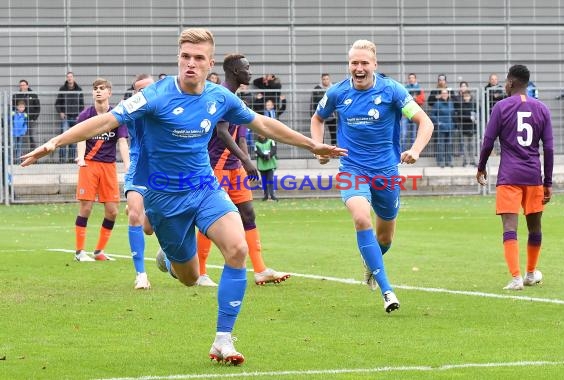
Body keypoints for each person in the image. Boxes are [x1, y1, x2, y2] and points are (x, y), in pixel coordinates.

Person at [21, 28, 345, 365]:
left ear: (210, 63)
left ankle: (223, 340)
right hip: (164, 198)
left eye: (198, 58)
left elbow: (262, 123)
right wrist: (54, 142)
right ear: (179, 58)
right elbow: (107, 119)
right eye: (185, 57)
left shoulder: (219, 97)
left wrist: (311, 144)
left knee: (237, 248)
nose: (190, 63)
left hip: (205, 188)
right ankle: (170, 261)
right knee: (189, 278)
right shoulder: (156, 95)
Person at [310, 39, 433, 313]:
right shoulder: (337, 93)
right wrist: (318, 147)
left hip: (386, 172)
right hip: (351, 169)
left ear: (374, 65)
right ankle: (387, 291)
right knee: (361, 217)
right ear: (349, 65)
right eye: (354, 63)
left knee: (385, 238)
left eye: (364, 63)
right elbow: (317, 119)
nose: (359, 68)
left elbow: (425, 122)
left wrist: (415, 149)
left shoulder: (392, 91)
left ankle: (371, 262)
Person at [195, 53, 290, 287]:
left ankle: (260, 270)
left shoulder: (239, 99)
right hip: (215, 166)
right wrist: (246, 160)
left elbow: (241, 135)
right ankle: (199, 272)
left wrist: (245, 162)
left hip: (234, 168)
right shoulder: (221, 96)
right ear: (235, 72)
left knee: (248, 214)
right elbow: (222, 132)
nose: (250, 71)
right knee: (210, 218)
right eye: (247, 68)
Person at [476, 64, 553, 291]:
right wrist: (547, 181)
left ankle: (517, 277)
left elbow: (488, 142)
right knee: (535, 227)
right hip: (533, 176)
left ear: (510, 83)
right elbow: (548, 148)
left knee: (510, 226)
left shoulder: (500, 107)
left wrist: (481, 167)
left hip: (509, 176)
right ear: (526, 84)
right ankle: (530, 273)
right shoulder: (542, 109)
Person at [72, 78, 130, 262]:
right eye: (95, 88)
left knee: (113, 210)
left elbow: (122, 141)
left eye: (102, 88)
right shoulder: (85, 115)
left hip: (108, 166)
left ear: (109, 93)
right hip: (89, 164)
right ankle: (80, 252)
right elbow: (81, 137)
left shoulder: (116, 116)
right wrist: (81, 158)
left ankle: (99, 252)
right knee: (86, 207)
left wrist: (127, 165)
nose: (98, 91)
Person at [124, 73, 155, 289]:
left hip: (162, 168)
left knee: (150, 228)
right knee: (135, 214)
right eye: (139, 90)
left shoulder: (168, 106)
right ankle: (141, 274)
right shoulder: (131, 110)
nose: (144, 93)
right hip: (138, 165)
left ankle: (170, 258)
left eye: (148, 88)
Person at [55, 72, 85, 163]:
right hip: (66, 118)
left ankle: (71, 160)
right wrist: (61, 112)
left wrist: (80, 115)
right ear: (66, 78)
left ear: (73, 78)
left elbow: (81, 105)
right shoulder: (62, 89)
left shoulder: (79, 89)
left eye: (71, 77)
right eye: (68, 77)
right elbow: (57, 103)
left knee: (74, 139)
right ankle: (62, 160)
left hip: (76, 118)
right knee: (64, 138)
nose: (69, 78)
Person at [12, 79, 41, 151]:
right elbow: (13, 108)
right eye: (21, 85)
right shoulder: (16, 95)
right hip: (20, 120)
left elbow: (38, 107)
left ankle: (34, 156)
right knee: (20, 138)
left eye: (23, 85)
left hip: (30, 119)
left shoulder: (33, 95)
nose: (22, 86)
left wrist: (34, 118)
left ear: (27, 86)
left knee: (31, 136)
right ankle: (18, 157)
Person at [453, 81, 477, 166]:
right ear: (463, 97)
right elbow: (460, 116)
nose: (467, 98)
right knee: (465, 147)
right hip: (464, 129)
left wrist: (475, 118)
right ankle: (466, 162)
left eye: (468, 96)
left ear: (470, 97)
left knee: (473, 146)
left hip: (472, 129)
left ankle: (473, 161)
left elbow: (477, 114)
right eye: (465, 96)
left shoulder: (474, 104)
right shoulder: (461, 105)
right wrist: (470, 118)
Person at [430, 88, 455, 168]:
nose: (445, 94)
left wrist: (453, 124)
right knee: (440, 145)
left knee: (449, 145)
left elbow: (453, 114)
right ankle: (440, 161)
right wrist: (438, 122)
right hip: (441, 127)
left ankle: (449, 161)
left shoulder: (451, 103)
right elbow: (432, 115)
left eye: (446, 93)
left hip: (450, 126)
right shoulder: (437, 103)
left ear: (448, 94)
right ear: (441, 95)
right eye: (443, 93)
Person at [311, 73, 337, 145]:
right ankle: (321, 149)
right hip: (321, 115)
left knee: (334, 133)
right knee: (320, 133)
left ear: (329, 79)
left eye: (327, 79)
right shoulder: (317, 89)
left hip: (332, 115)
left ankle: (334, 148)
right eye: (324, 79)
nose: (325, 81)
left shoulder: (334, 88)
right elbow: (313, 102)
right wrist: (312, 114)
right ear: (321, 80)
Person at [401, 73, 425, 150]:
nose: (411, 79)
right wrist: (412, 98)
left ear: (415, 79)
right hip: (405, 114)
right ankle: (401, 152)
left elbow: (422, 101)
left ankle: (412, 153)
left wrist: (414, 99)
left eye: (412, 78)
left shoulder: (419, 89)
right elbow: (401, 100)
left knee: (413, 135)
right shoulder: (404, 88)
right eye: (410, 78)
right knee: (403, 134)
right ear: (408, 79)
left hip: (415, 114)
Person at [255, 133, 278, 201]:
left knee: (270, 180)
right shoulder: (256, 144)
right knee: (264, 181)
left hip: (270, 165)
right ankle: (266, 195)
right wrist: (264, 156)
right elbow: (257, 152)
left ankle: (272, 195)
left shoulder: (271, 141)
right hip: (262, 165)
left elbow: (274, 150)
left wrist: (269, 155)